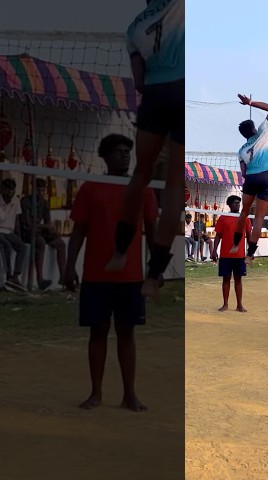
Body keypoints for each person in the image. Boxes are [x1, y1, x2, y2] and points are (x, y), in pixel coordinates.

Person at [64, 133, 159, 412]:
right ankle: (96, 393)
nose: (125, 156)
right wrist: (69, 267)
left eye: (127, 151)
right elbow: (78, 231)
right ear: (105, 156)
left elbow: (152, 232)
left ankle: (130, 394)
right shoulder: (92, 188)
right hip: (96, 275)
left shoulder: (142, 188)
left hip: (130, 277)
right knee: (98, 333)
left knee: (127, 334)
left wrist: (156, 269)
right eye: (119, 152)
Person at [107, 0, 185, 299]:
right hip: (182, 88)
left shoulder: (133, 28)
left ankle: (119, 251)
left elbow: (138, 82)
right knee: (174, 183)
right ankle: (154, 275)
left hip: (155, 95)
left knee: (140, 174)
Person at [228, 94, 268, 266]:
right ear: (254, 129)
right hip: (265, 176)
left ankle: (235, 245)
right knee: (258, 218)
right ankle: (249, 256)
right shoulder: (263, 132)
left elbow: (243, 173)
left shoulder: (241, 150)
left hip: (250, 178)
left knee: (244, 212)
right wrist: (250, 103)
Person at [19, 178, 67, 290]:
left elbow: (47, 222)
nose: (41, 193)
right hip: (27, 231)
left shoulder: (44, 203)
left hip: (40, 229)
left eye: (42, 190)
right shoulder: (25, 201)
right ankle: (40, 278)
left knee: (61, 244)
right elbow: (28, 223)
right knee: (40, 242)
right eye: (39, 190)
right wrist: (45, 226)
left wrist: (51, 229)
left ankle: (63, 276)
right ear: (33, 190)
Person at [212, 195, 252, 312]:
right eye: (235, 203)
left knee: (238, 279)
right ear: (229, 204)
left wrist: (251, 252)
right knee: (226, 279)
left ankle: (239, 305)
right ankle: (225, 304)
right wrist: (214, 251)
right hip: (225, 254)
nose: (237, 205)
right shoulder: (223, 218)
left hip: (239, 255)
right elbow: (218, 236)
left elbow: (249, 237)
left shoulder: (245, 218)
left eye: (239, 203)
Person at [0, 177, 26, 291]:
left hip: (10, 231)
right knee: (6, 245)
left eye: (12, 190)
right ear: (3, 189)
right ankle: (9, 274)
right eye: (8, 189)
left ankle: (16, 275)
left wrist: (18, 236)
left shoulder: (16, 201)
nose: (10, 192)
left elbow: (17, 220)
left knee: (22, 247)